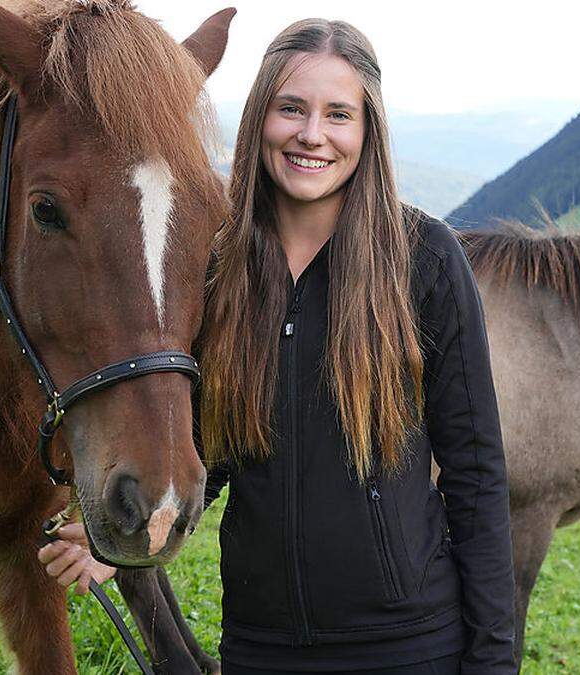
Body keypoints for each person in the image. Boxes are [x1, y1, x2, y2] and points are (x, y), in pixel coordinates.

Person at [38, 18, 516, 674]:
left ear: (367, 130)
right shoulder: (217, 266)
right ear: (260, 116)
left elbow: (478, 476)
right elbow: (217, 447)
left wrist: (492, 660)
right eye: (291, 108)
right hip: (261, 645)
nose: (312, 134)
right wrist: (114, 542)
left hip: (408, 645)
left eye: (338, 114)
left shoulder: (426, 260)